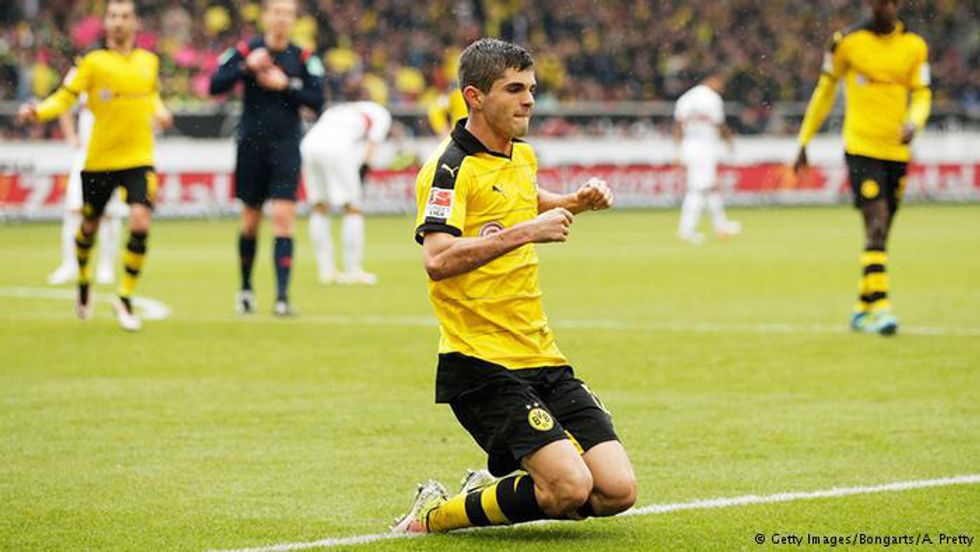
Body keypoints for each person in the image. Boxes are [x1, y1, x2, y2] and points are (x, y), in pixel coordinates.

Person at [393, 38, 636, 535]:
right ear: (475, 97)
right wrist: (526, 232)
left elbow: (521, 197)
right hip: (479, 362)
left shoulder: (520, 155)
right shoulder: (448, 169)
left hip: (540, 352)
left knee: (616, 491)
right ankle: (433, 515)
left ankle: (483, 491)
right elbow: (436, 260)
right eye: (514, 89)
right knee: (568, 488)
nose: (529, 100)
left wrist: (576, 200)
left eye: (531, 89)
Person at [19, 0, 172, 332]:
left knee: (141, 221)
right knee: (89, 225)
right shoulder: (92, 62)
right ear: (106, 22)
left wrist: (160, 111)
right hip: (101, 159)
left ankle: (125, 297)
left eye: (125, 16)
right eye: (113, 16)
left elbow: (151, 95)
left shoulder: (149, 61)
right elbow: (65, 97)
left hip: (139, 158)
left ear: (135, 23)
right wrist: (38, 112)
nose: (119, 22)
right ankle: (84, 278)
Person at [794, 0, 931, 335]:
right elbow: (825, 91)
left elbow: (922, 93)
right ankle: (882, 309)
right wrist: (804, 140)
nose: (885, 8)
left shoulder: (914, 45)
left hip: (896, 151)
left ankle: (861, 308)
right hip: (861, 148)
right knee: (877, 224)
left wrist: (914, 122)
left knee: (881, 234)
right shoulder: (846, 42)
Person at [209, 0, 324, 315]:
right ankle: (246, 290)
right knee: (250, 220)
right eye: (276, 12)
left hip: (286, 146)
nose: (281, 19)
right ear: (265, 16)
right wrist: (246, 68)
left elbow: (318, 100)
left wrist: (286, 85)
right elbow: (214, 84)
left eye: (287, 13)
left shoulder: (304, 57)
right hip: (251, 146)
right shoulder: (246, 51)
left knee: (284, 219)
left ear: (294, 19)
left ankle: (282, 298)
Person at [300, 100, 391, 285]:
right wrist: (362, 174)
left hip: (309, 146)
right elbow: (370, 148)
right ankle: (353, 270)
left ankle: (326, 272)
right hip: (337, 148)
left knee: (319, 207)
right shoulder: (381, 114)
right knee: (353, 208)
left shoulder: (340, 109)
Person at [47, 95, 127, 287]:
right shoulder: (81, 79)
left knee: (109, 213)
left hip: (111, 154)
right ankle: (70, 265)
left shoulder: (119, 80)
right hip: (85, 155)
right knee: (74, 210)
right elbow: (63, 103)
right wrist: (71, 136)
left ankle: (106, 266)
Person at [672, 70, 739, 245]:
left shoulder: (687, 98)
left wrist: (678, 149)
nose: (722, 88)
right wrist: (729, 142)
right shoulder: (712, 99)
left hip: (689, 145)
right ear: (713, 79)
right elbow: (720, 125)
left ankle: (721, 226)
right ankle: (686, 231)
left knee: (710, 187)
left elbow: (678, 124)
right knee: (698, 189)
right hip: (704, 147)